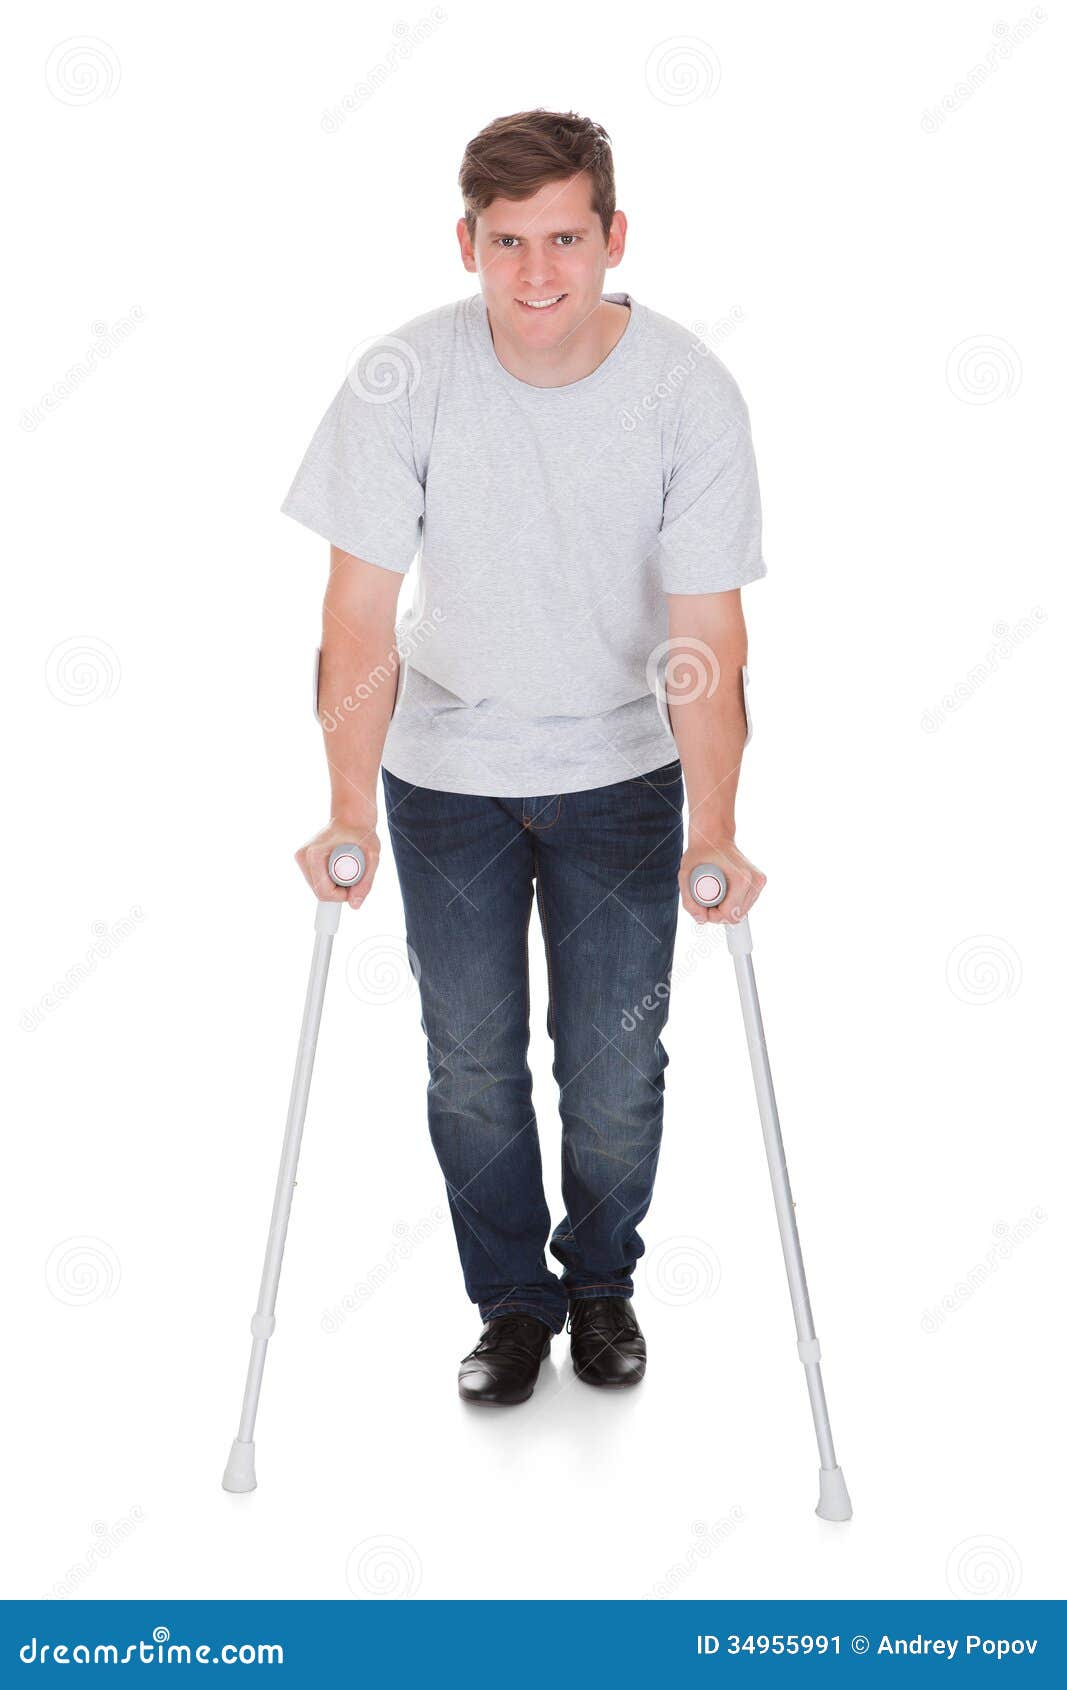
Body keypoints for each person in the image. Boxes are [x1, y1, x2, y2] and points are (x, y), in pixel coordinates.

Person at [280, 108, 768, 1406]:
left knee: (614, 1064)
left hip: (621, 772)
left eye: (565, 237)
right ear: (467, 244)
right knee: (473, 1062)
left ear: (614, 237)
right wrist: (347, 805)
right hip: (448, 781)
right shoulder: (405, 378)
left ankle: (600, 1282)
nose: (539, 273)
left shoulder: (685, 390)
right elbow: (356, 613)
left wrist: (714, 823)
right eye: (509, 242)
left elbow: (707, 631)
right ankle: (511, 1302)